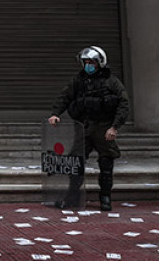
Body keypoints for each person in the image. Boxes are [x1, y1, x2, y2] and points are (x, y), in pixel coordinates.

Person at [48, 46, 130, 211]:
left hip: (103, 127)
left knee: (106, 163)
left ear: (100, 63)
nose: (88, 66)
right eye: (85, 62)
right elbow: (65, 97)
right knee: (75, 162)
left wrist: (114, 127)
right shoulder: (78, 81)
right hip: (83, 127)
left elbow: (123, 104)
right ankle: (72, 196)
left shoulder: (111, 82)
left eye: (91, 62)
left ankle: (105, 197)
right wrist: (55, 113)